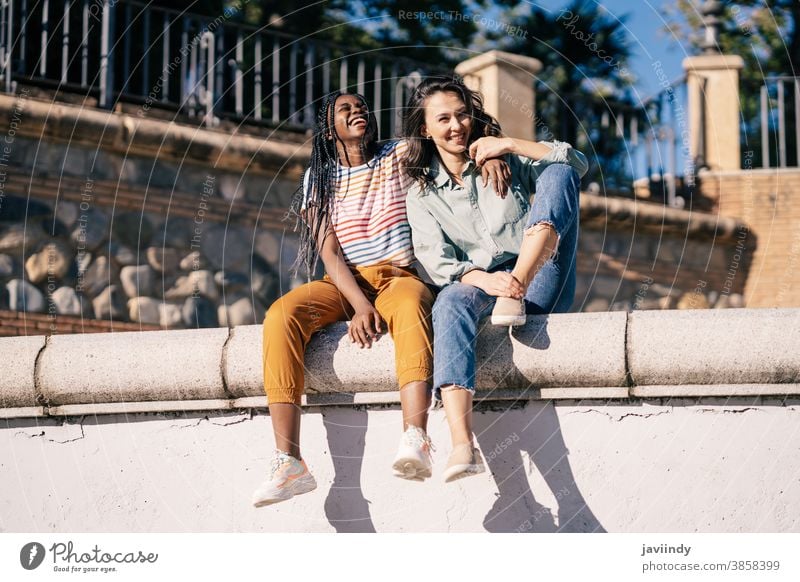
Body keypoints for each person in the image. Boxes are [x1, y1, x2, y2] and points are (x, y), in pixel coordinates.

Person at [252, 91, 510, 506]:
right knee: (281, 314)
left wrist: (489, 153)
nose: (359, 112)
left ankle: (416, 436)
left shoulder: (400, 154)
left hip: (399, 276)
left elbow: (454, 133)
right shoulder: (316, 178)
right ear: (327, 127)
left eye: (363, 107)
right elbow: (329, 251)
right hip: (344, 283)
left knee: (410, 307)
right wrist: (359, 305)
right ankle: (289, 460)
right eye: (346, 109)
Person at [401, 76, 588, 483]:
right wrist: (488, 282)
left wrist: (510, 145)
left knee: (558, 175)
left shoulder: (504, 161)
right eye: (444, 118)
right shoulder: (421, 193)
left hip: (539, 275)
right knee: (450, 299)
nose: (456, 126)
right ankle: (462, 446)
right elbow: (436, 260)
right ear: (425, 129)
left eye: (463, 114)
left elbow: (576, 164)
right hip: (486, 287)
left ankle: (518, 282)